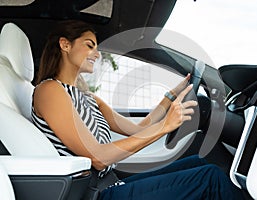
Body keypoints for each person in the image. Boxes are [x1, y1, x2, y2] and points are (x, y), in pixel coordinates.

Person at [31, 20, 244, 200]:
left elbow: (138, 128)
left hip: (110, 184)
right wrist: (164, 127)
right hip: (94, 194)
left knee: (199, 161)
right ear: (65, 45)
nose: (96, 54)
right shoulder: (50, 90)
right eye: (89, 45)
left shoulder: (87, 97)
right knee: (209, 178)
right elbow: (97, 158)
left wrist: (170, 97)